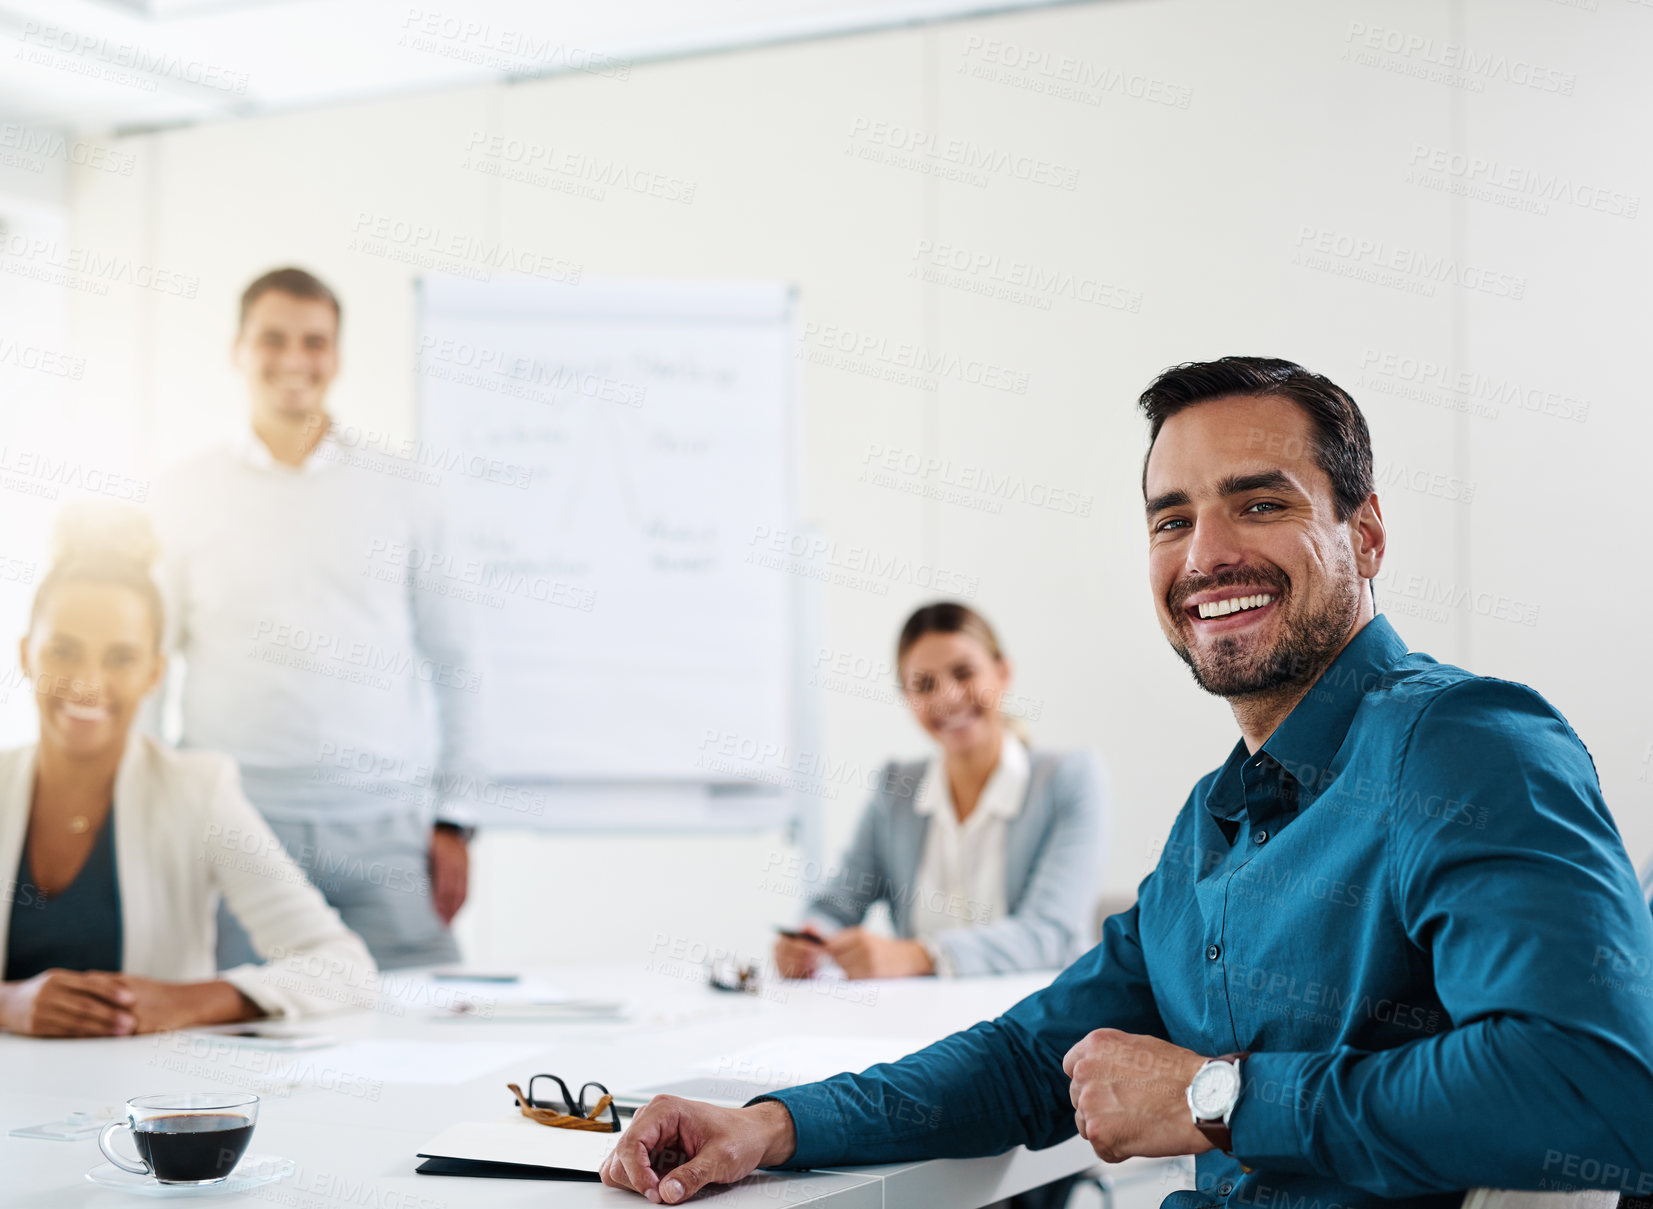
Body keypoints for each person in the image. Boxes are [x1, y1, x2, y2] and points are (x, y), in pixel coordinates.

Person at [600, 356, 1653, 1206]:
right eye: (1170, 518)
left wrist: (1217, 1097)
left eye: (1258, 503)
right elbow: (1029, 1060)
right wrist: (773, 1125)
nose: (1206, 554)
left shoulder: (1467, 744)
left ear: (1364, 532)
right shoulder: (1217, 818)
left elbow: (1600, 1095)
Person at [150, 267, 483, 970]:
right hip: (236, 823)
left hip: (384, 828)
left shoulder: (405, 491)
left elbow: (457, 661)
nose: (294, 359)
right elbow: (148, 669)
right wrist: (156, 814)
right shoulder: (181, 493)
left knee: (426, 1026)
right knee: (239, 1030)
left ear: (336, 355)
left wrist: (455, 819)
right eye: (273, 338)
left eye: (314, 341)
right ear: (238, 348)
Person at [0, 504, 376, 1037]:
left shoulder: (196, 792)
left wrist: (192, 1001)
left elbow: (343, 967)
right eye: (64, 651)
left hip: (150, 1106)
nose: (87, 682)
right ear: (25, 655)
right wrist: (8, 1003)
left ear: (155, 672)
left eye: (119, 659)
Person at [775, 602, 1104, 980]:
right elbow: (837, 906)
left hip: (1038, 1023)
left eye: (963, 673)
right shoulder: (895, 788)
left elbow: (1052, 934)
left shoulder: (1069, 779)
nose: (946, 697)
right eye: (924, 684)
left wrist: (918, 955)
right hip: (922, 1021)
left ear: (1002, 673)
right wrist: (808, 938)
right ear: (906, 697)